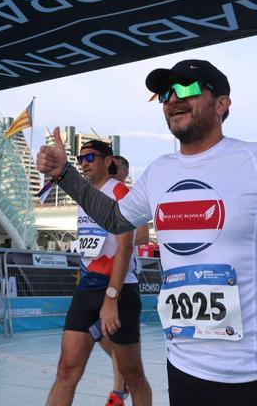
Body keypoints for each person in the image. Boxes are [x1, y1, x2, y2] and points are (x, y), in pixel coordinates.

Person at [37, 59, 257, 404]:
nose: (173, 98)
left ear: (222, 103)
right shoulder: (159, 172)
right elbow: (116, 220)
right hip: (185, 371)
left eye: (187, 88)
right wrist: (65, 174)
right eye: (165, 94)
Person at [46, 139, 150, 406]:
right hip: (87, 288)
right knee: (66, 371)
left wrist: (111, 297)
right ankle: (118, 389)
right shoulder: (84, 195)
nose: (84, 164)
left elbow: (125, 246)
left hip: (119, 290)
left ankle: (121, 389)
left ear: (108, 161)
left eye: (90, 158)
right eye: (80, 159)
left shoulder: (120, 193)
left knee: (133, 374)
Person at [108, 154, 151, 405]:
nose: (112, 170)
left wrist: (118, 238)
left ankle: (118, 389)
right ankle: (121, 382)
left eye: (116, 166)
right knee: (100, 332)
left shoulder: (128, 195)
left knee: (121, 338)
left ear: (124, 170)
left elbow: (143, 235)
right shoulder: (100, 193)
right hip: (100, 277)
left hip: (125, 278)